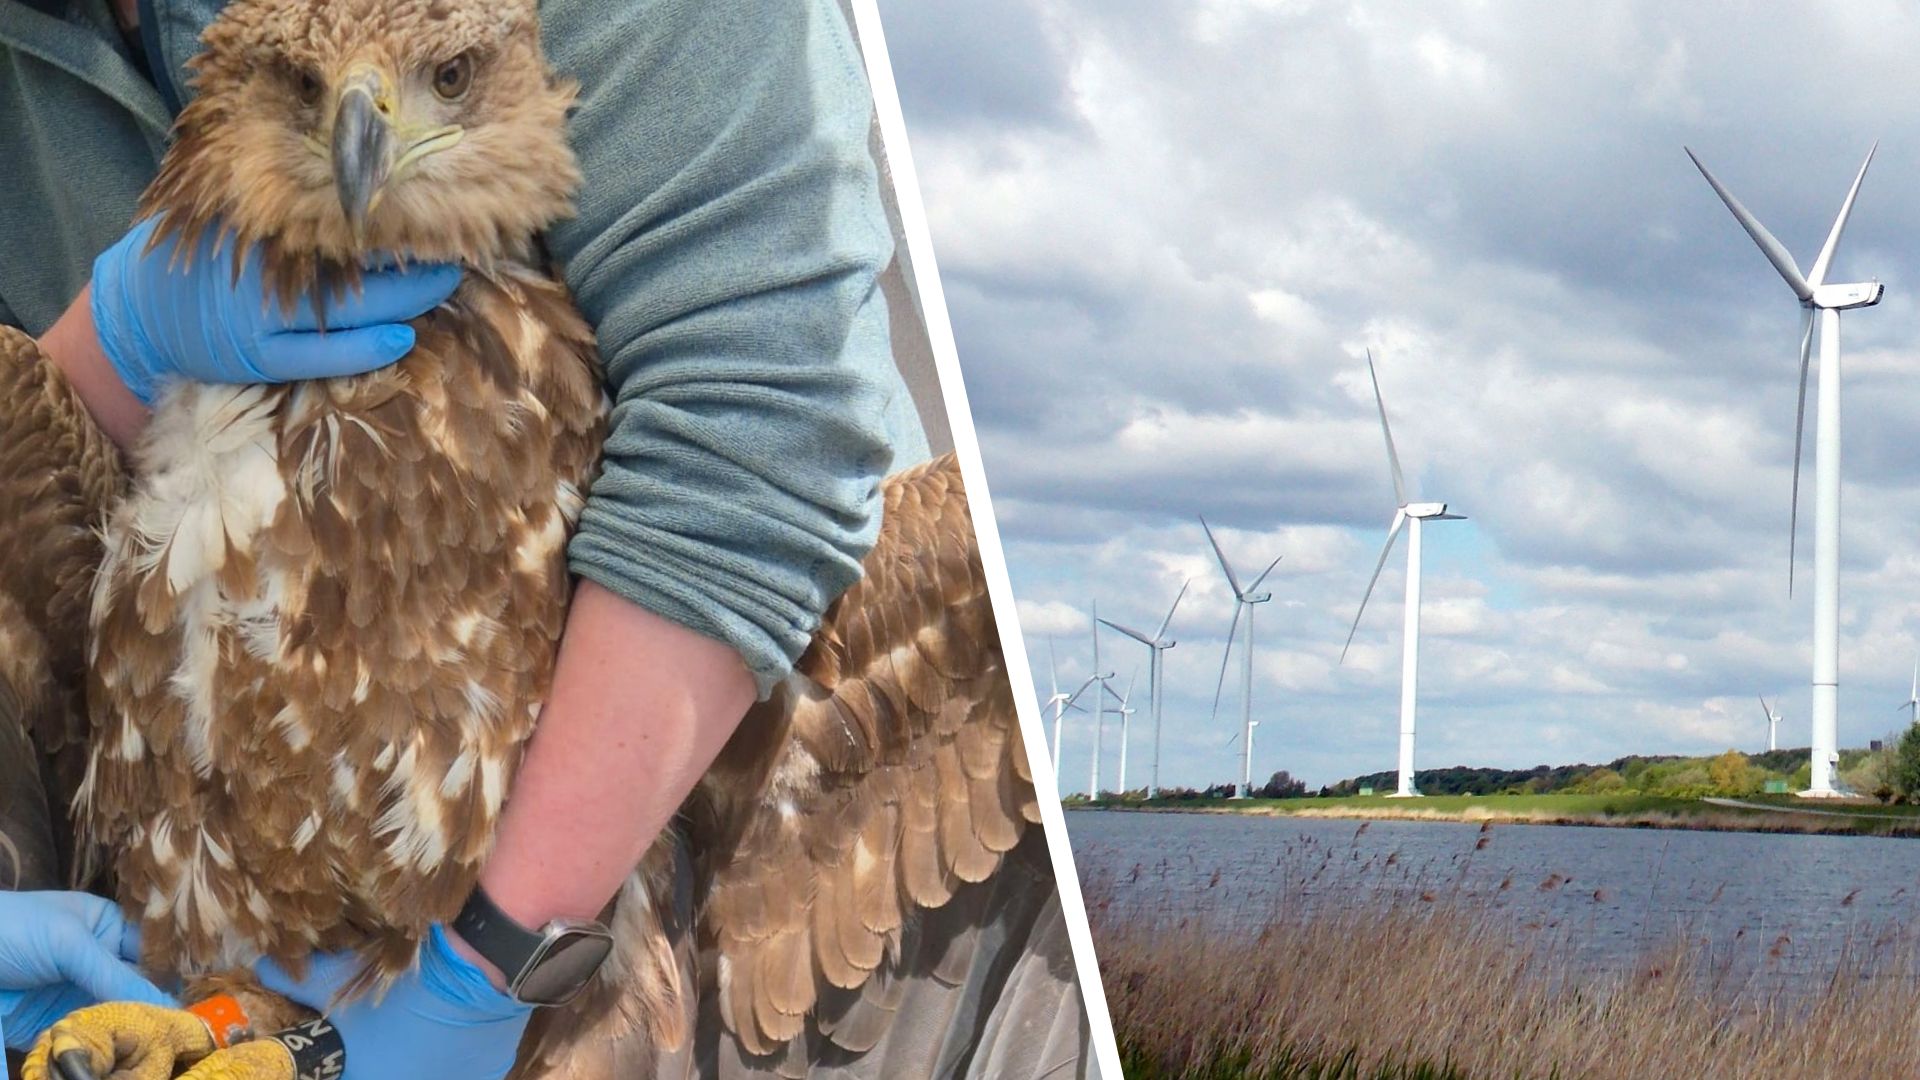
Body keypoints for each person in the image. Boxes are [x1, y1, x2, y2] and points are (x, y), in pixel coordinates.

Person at [1, 0, 928, 1076]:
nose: (363, 134)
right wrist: (109, 345)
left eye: (441, 83)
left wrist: (493, 967)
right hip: (183, 930)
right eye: (307, 92)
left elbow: (769, 417)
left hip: (586, 920)